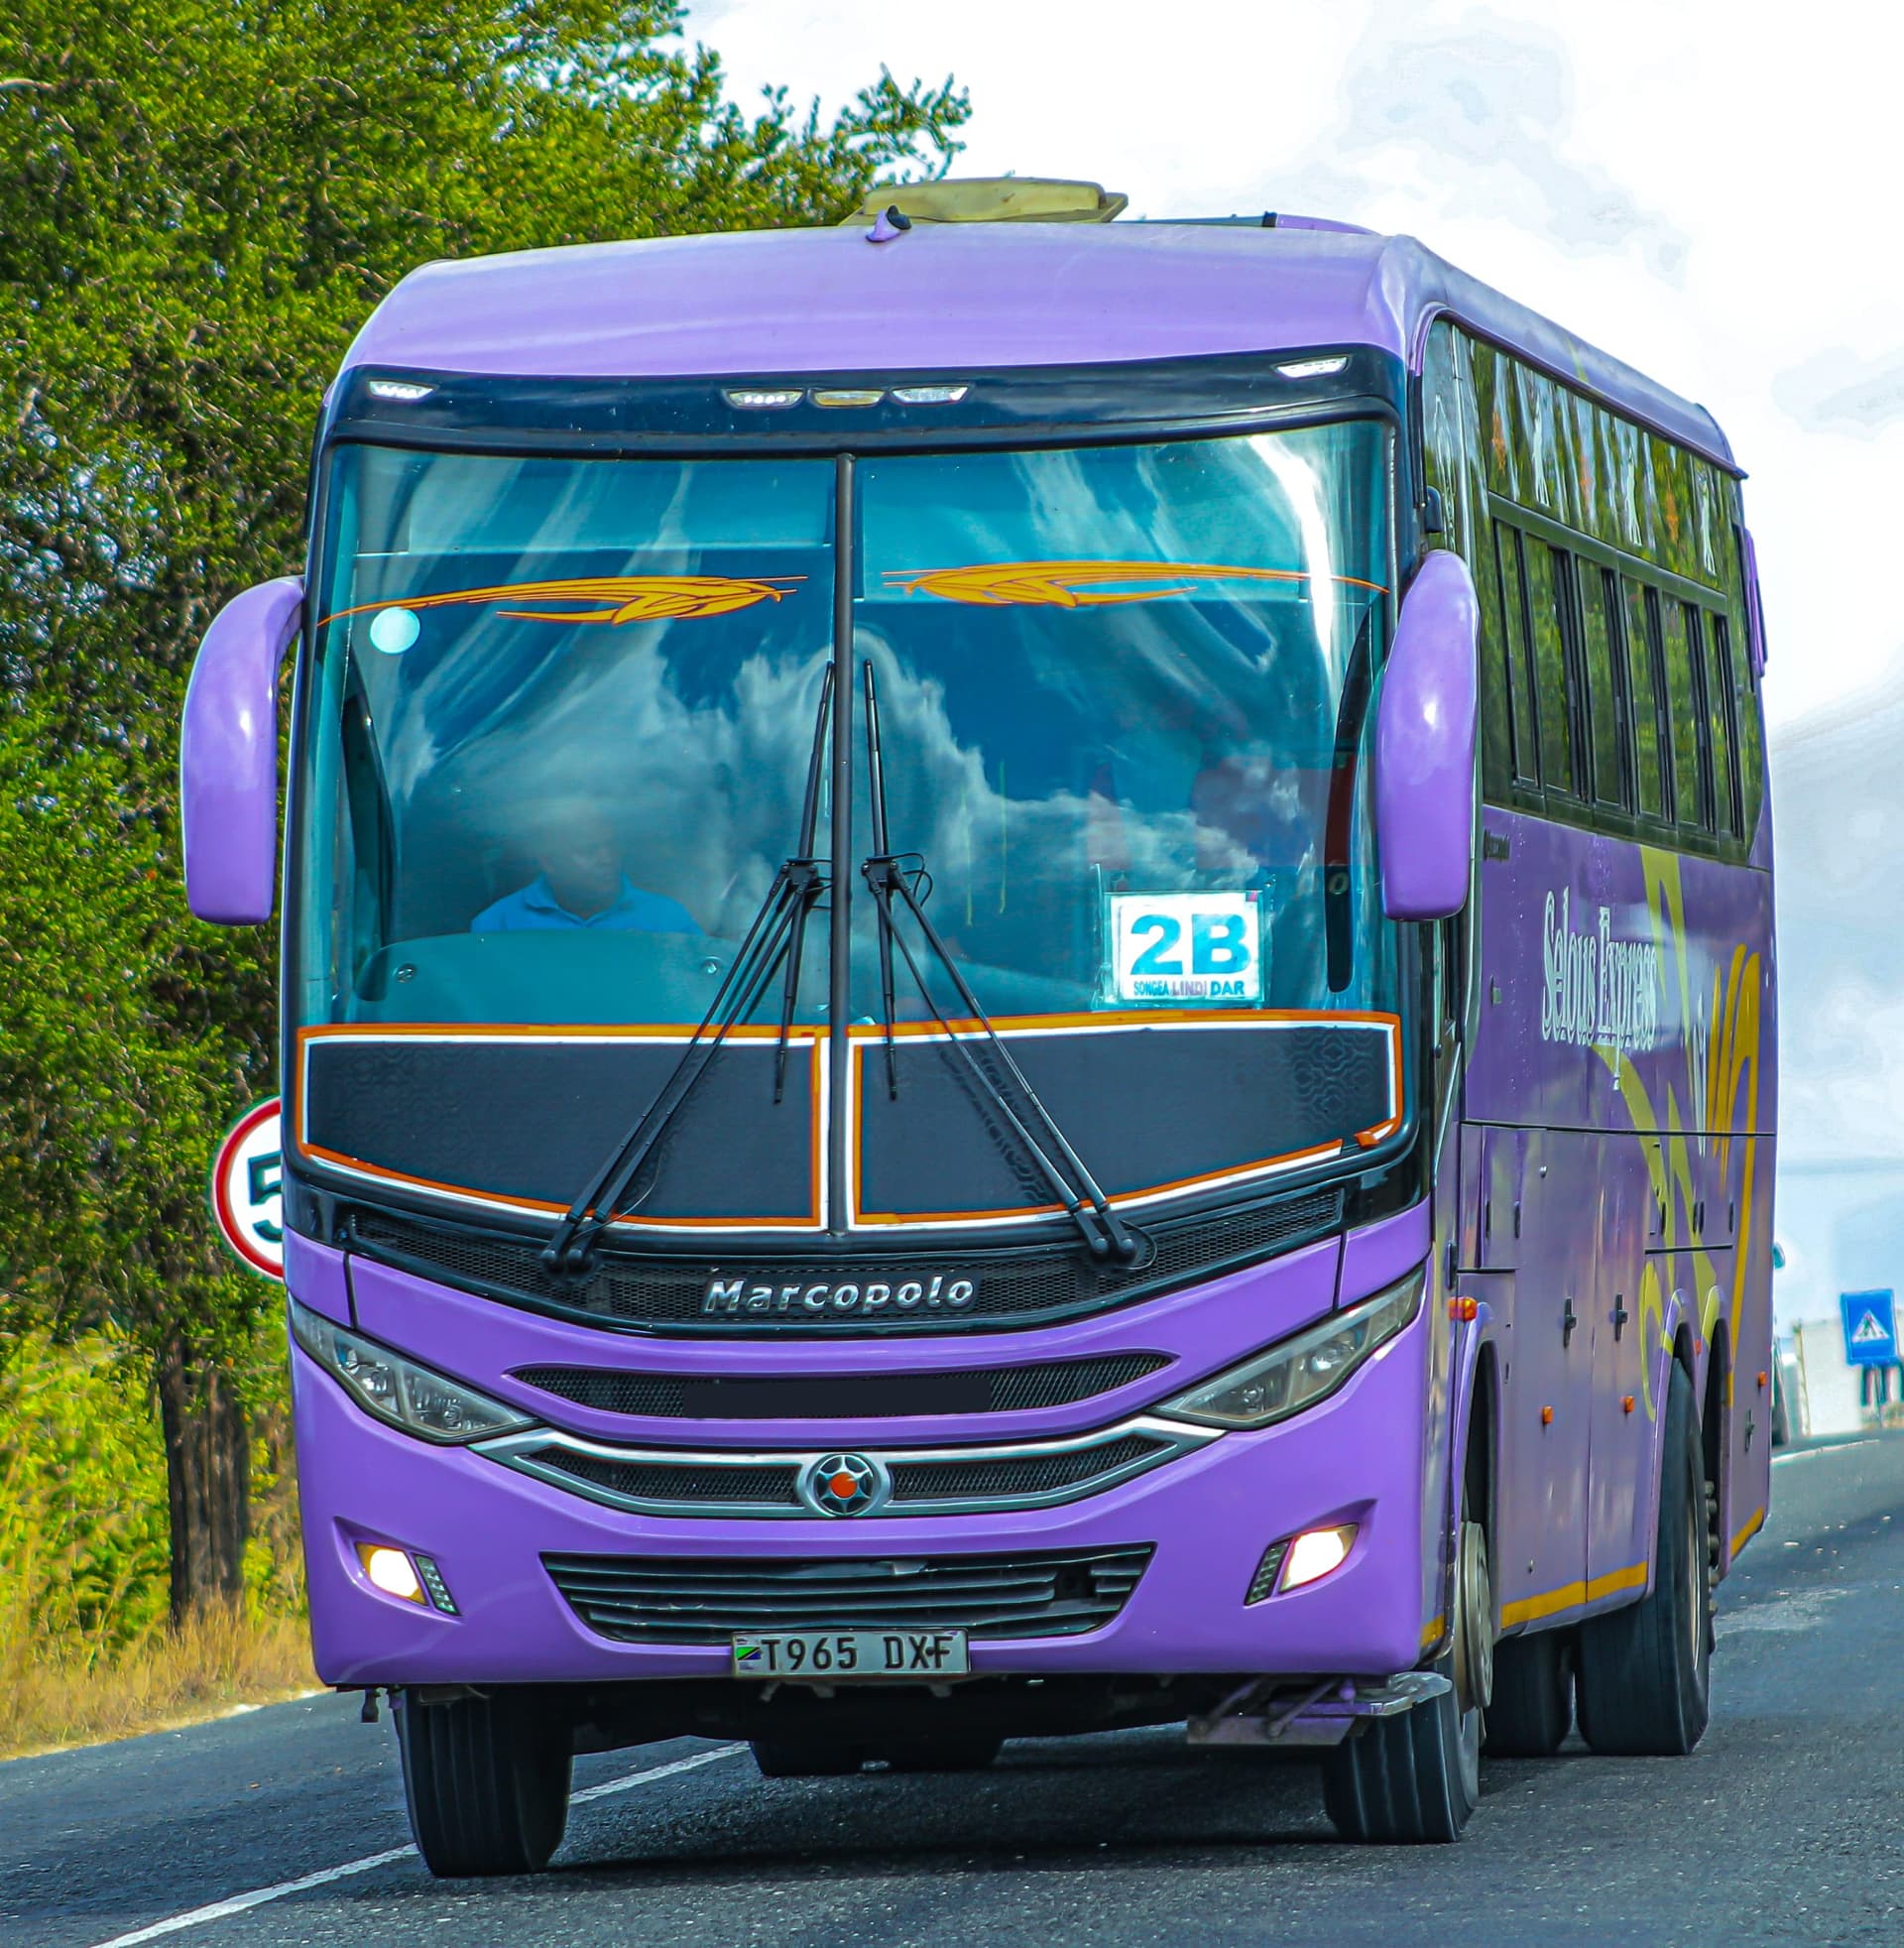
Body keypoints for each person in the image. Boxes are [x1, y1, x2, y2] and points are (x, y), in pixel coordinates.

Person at [471, 802, 701, 934]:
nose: (607, 858)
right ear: (548, 862)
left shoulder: (667, 919)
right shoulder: (498, 923)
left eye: (611, 846)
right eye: (589, 850)